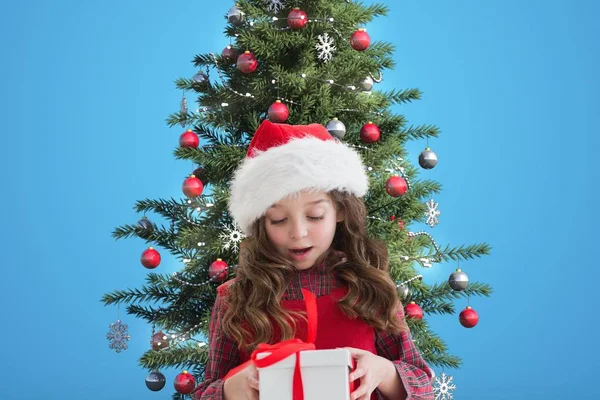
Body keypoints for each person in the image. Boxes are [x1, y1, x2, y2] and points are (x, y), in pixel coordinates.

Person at [192, 120, 434, 400]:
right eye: (279, 219)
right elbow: (206, 390)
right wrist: (228, 390)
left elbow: (422, 385)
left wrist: (385, 373)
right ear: (261, 222)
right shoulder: (234, 298)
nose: (298, 233)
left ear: (340, 211)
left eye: (315, 216)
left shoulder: (372, 288)